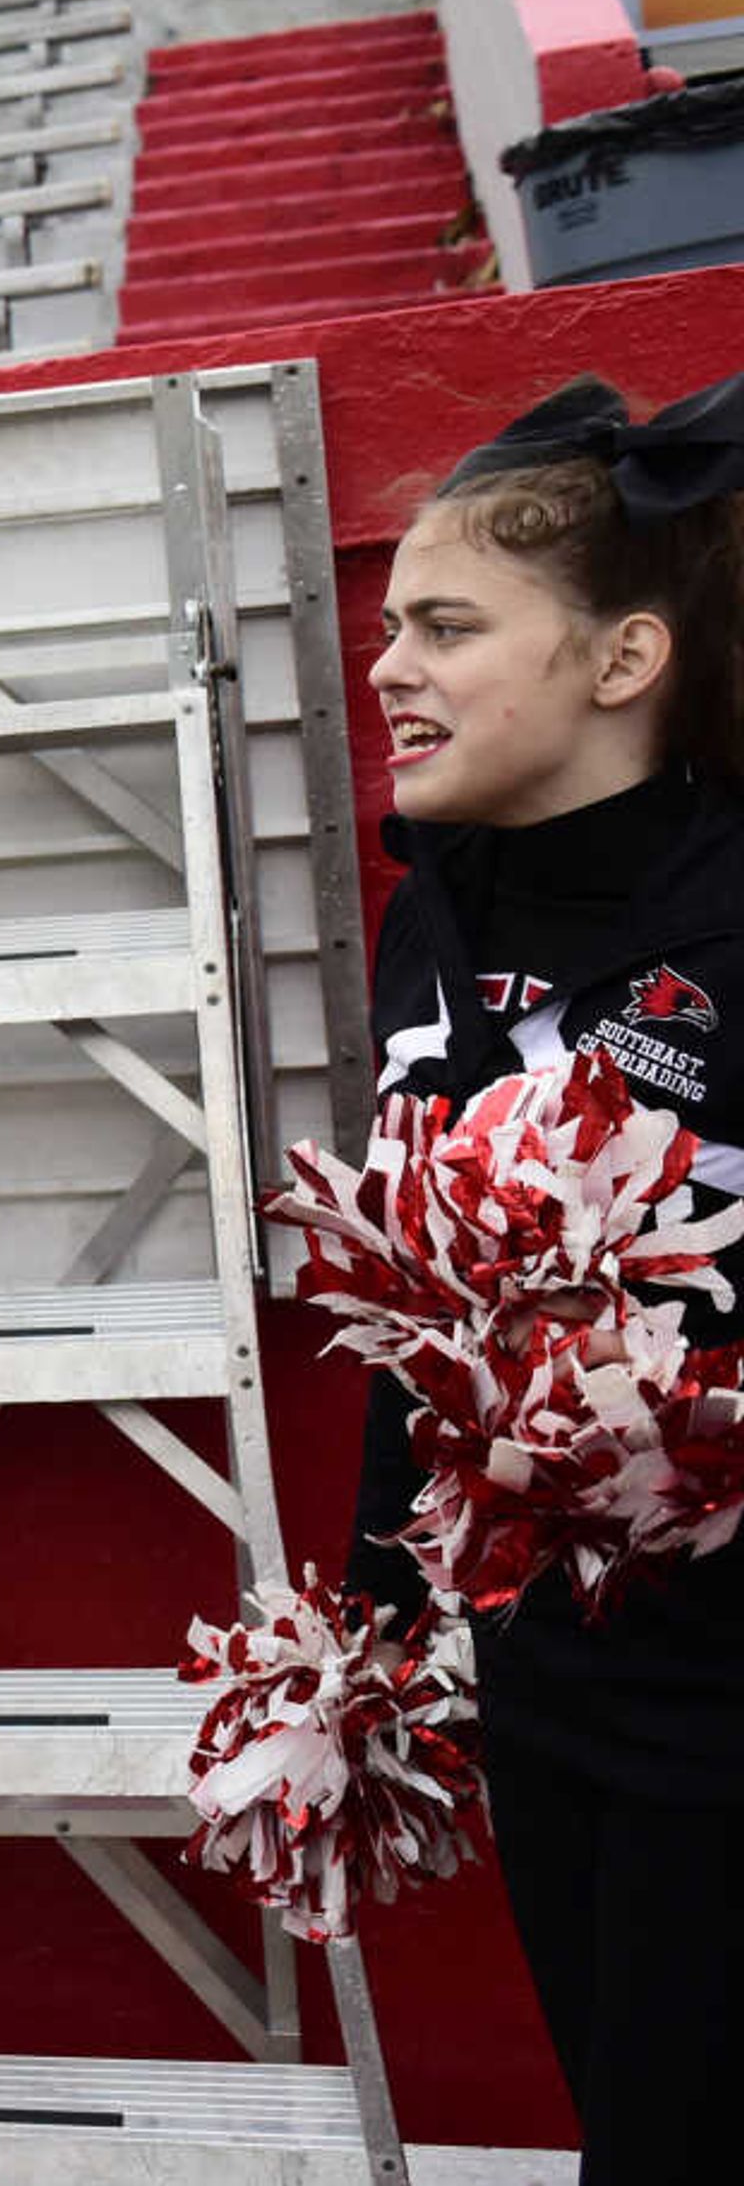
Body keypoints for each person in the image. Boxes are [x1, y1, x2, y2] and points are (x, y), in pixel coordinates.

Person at [339, 369, 744, 2183]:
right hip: (546, 1674)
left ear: (622, 657)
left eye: (444, 624)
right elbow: (408, 1298)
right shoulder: (433, 913)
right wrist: (372, 1612)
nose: (388, 669)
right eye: (388, 628)